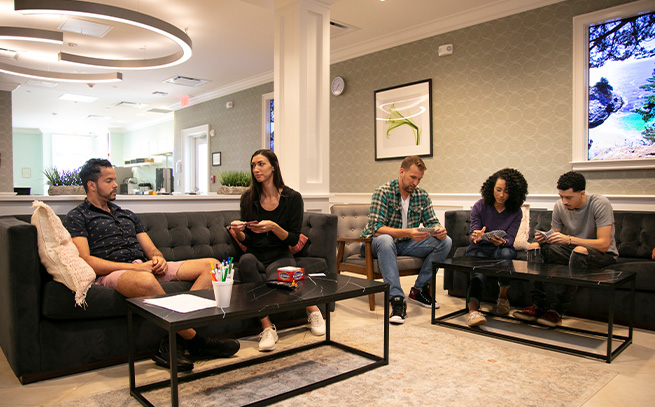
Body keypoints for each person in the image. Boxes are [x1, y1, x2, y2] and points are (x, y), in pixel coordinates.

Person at [64, 159, 240, 372]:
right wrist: (137, 268)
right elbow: (87, 260)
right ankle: (197, 342)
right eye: (108, 181)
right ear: (91, 185)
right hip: (114, 273)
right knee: (146, 279)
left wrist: (158, 258)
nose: (115, 185)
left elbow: (151, 249)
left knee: (213, 266)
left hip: (144, 267)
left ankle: (171, 343)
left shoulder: (125, 214)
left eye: (114, 180)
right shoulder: (78, 216)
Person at [230, 149, 326, 352]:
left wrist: (273, 226)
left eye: (261, 164)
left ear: (273, 166)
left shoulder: (293, 198)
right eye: (253, 165)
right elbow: (247, 241)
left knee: (283, 283)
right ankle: (267, 328)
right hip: (255, 254)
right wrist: (238, 232)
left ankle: (313, 310)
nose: (256, 169)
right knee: (245, 261)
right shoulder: (247, 198)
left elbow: (292, 238)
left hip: (280, 254)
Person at [513, 171, 618, 327]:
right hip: (572, 249)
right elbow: (555, 234)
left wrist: (568, 239)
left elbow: (603, 244)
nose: (564, 201)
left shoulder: (600, 203)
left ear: (582, 193)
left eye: (569, 197)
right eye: (561, 196)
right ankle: (537, 305)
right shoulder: (559, 206)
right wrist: (546, 238)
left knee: (579, 251)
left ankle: (556, 311)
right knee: (535, 247)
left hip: (602, 254)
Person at [361, 155, 452, 324]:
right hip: (376, 244)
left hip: (406, 244)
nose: (416, 183)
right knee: (386, 239)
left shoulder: (421, 195)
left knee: (446, 241)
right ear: (401, 172)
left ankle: (418, 290)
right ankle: (396, 299)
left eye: (419, 179)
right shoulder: (383, 192)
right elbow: (376, 228)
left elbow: (432, 221)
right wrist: (408, 233)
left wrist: (439, 230)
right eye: (413, 177)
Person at [465, 168, 528, 327]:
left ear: (513, 193)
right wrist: (477, 237)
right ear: (491, 188)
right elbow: (473, 234)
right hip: (480, 248)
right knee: (477, 272)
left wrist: (502, 242)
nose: (501, 195)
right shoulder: (480, 206)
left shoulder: (516, 211)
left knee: (507, 253)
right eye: (498, 190)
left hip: (500, 248)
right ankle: (473, 311)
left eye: (506, 191)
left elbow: (511, 238)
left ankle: (503, 297)